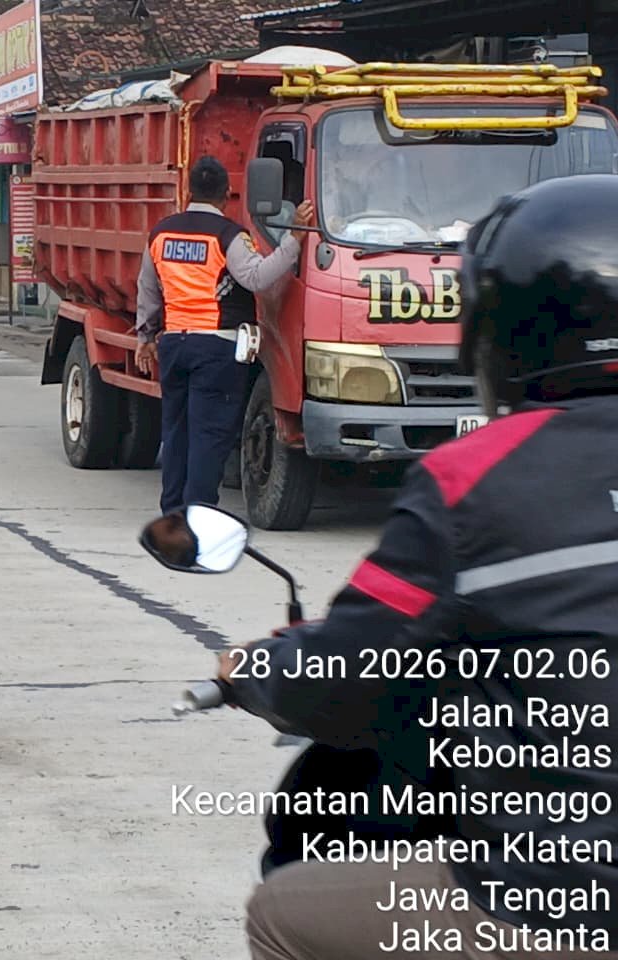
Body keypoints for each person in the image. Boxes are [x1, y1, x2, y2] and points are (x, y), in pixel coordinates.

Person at [230, 175, 618, 959]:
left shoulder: (473, 477)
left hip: (567, 895)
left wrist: (256, 669)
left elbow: (345, 674)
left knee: (284, 910)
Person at [135, 156, 314, 513]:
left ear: (189, 190)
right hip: (215, 347)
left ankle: (172, 510)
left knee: (176, 432)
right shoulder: (228, 235)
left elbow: (148, 288)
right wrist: (293, 239)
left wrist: (145, 337)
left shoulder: (162, 232)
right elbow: (257, 278)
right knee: (209, 435)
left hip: (173, 344)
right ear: (226, 195)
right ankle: (199, 512)